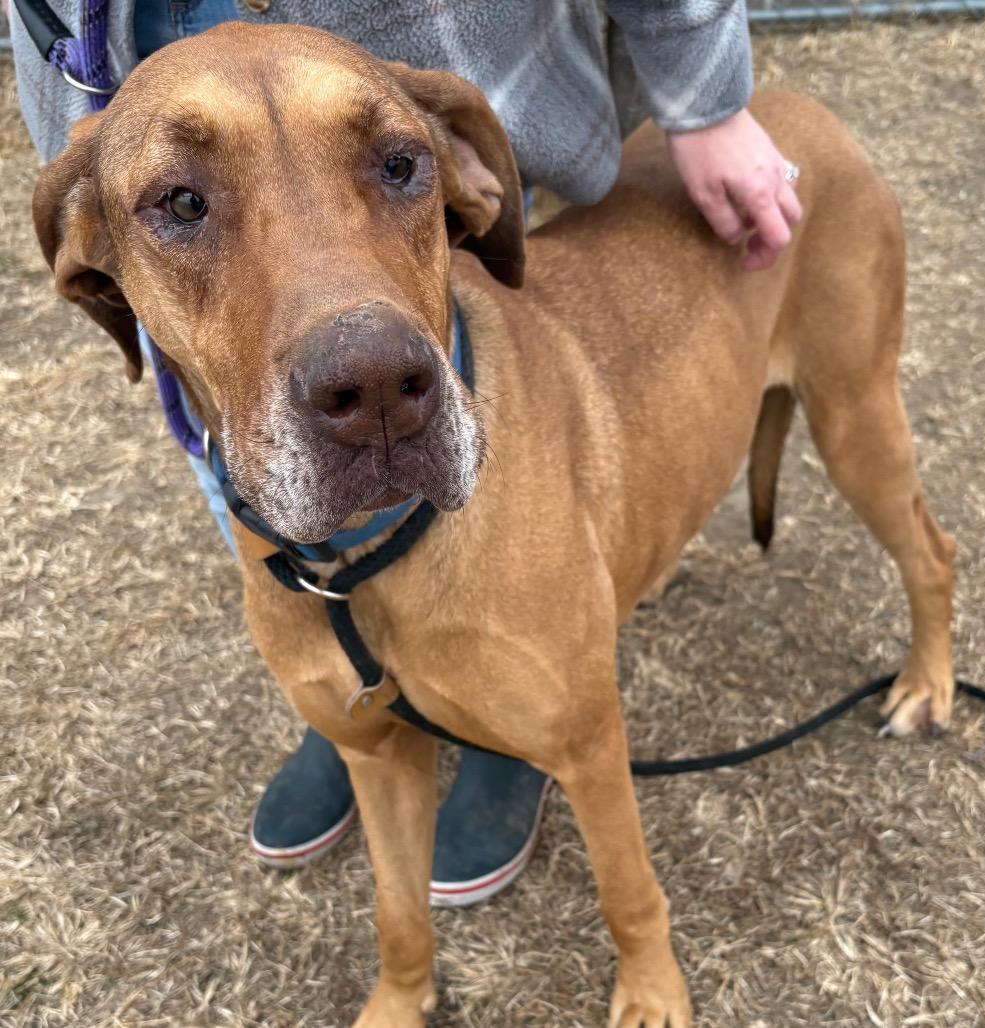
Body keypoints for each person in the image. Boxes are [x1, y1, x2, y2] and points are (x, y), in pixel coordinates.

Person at [11, 0, 801, 903]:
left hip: (451, 31)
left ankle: (494, 722)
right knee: (277, 474)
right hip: (110, 39)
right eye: (185, 205)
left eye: (395, 166)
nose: (363, 372)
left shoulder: (455, 159)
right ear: (91, 264)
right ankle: (369, 701)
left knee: (519, 634)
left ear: (466, 181)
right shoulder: (103, 189)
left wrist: (705, 86)